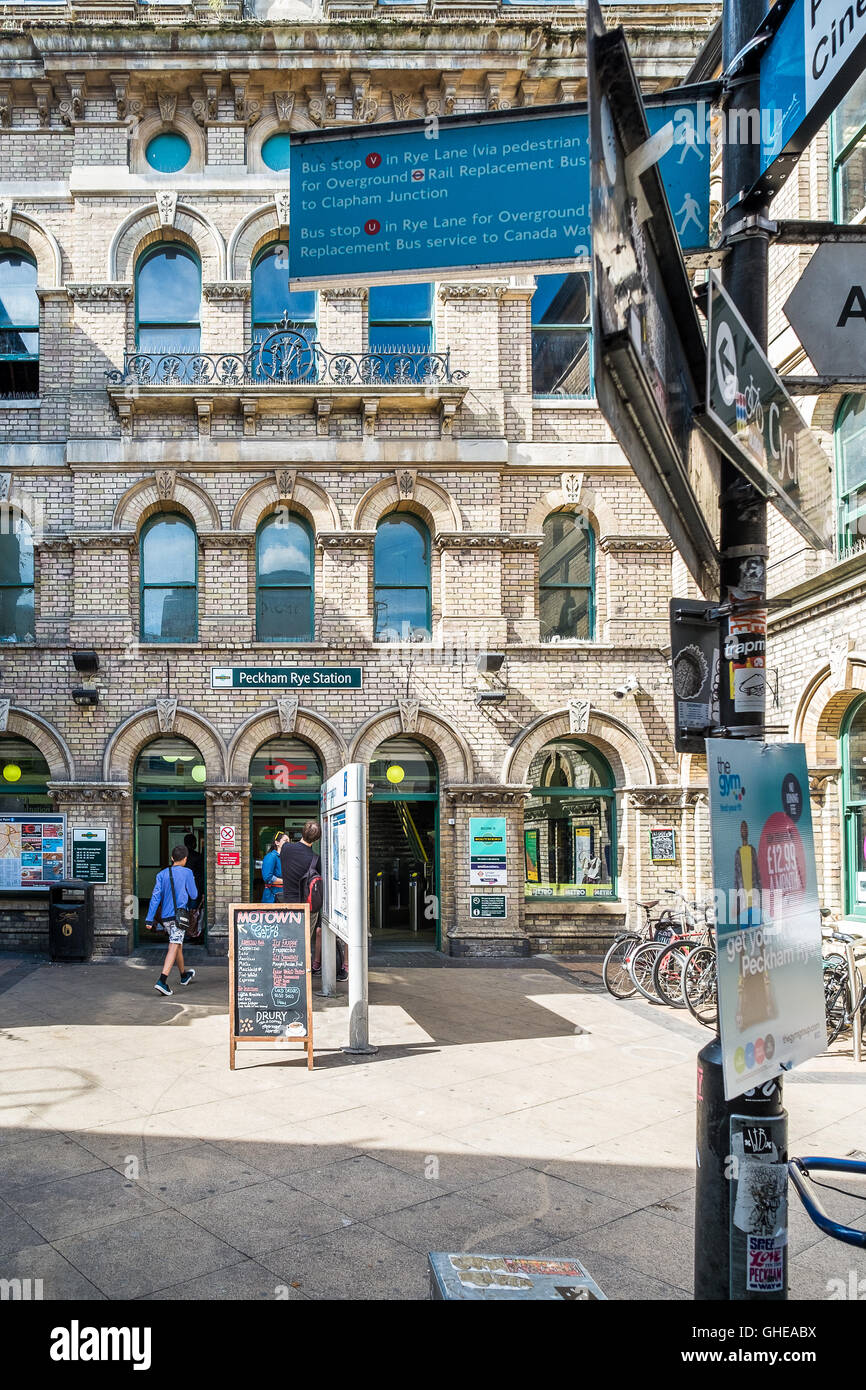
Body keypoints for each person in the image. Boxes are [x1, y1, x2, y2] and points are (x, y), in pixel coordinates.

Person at [279, 819, 346, 981]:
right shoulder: (315, 859)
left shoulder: (287, 849)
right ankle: (301, 976)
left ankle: (285, 974)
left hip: (287, 904)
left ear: (301, 833)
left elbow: (281, 848)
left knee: (287, 941)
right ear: (317, 840)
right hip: (307, 908)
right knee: (304, 942)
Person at [146, 845, 200, 997]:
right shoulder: (188, 872)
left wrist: (149, 919)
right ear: (185, 859)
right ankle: (162, 981)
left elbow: (155, 898)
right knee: (174, 945)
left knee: (178, 945)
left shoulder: (161, 874)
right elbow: (194, 895)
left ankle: (184, 975)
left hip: (166, 918)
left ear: (171, 858)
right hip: (179, 917)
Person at [261, 830, 289, 903]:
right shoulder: (271, 856)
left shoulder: (285, 857)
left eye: (289, 841)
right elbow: (268, 877)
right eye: (285, 840)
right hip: (272, 897)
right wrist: (287, 882)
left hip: (284, 895)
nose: (288, 843)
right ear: (277, 843)